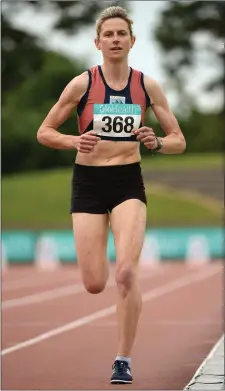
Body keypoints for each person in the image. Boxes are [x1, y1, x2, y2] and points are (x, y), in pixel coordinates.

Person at [37, 5, 186, 385]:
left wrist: (156, 142)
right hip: (87, 184)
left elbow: (179, 141)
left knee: (125, 273)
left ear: (132, 41)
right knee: (94, 282)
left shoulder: (146, 86)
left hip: (127, 183)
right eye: (109, 34)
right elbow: (44, 132)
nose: (116, 40)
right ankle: (119, 295)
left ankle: (123, 358)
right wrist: (74, 140)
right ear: (98, 42)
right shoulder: (81, 84)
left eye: (122, 34)